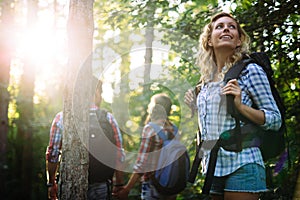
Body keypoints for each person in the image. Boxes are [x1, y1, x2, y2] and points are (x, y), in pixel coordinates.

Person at [184, 12, 282, 200]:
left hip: (243, 163)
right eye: (219, 27)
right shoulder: (204, 83)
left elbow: (275, 119)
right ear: (209, 41)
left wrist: (241, 106)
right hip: (213, 167)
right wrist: (195, 109)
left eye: (232, 26)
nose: (226, 29)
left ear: (238, 40)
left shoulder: (250, 70)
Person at [45, 78, 125, 200]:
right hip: (101, 184)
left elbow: (53, 154)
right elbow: (119, 154)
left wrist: (51, 183)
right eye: (101, 93)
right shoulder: (108, 118)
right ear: (97, 93)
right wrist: (119, 184)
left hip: (70, 184)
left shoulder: (62, 117)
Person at [114, 93, 178, 200]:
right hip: (171, 184)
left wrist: (127, 188)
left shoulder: (151, 129)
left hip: (153, 185)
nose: (149, 105)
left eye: (151, 103)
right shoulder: (174, 129)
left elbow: (142, 164)